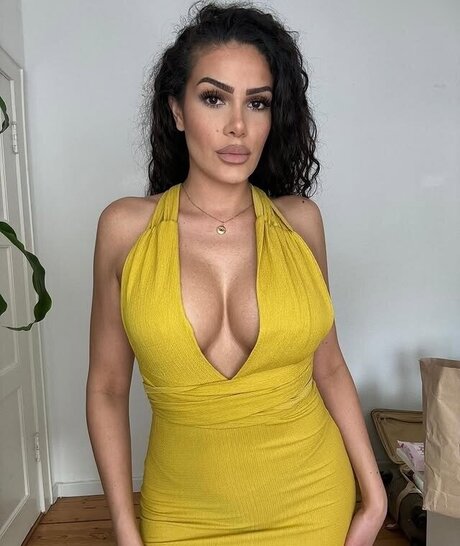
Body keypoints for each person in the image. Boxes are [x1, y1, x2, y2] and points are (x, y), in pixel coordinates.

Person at [86, 1, 388, 545]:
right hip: (181, 514)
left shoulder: (300, 223)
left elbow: (330, 365)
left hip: (312, 502)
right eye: (213, 98)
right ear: (177, 111)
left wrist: (375, 499)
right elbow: (107, 387)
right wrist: (126, 532)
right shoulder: (125, 229)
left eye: (257, 102)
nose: (238, 126)